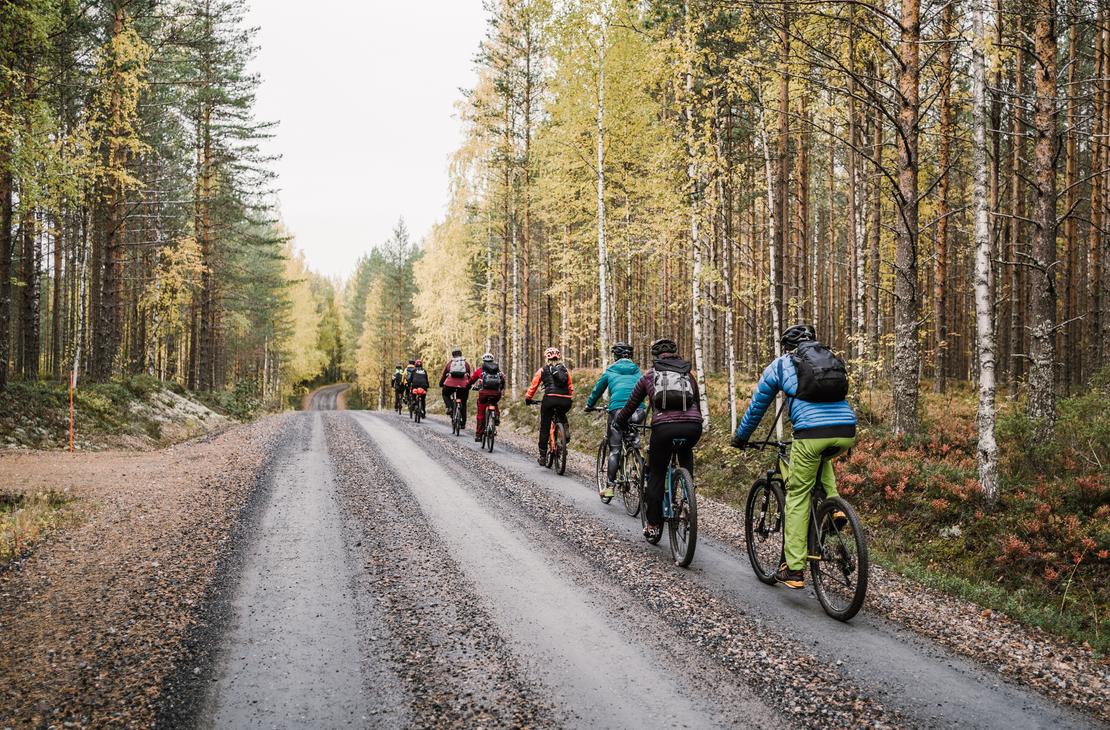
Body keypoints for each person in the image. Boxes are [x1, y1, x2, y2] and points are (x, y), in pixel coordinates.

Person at [730, 323, 857, 589]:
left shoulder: (781, 365)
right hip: (846, 431)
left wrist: (741, 437)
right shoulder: (828, 359)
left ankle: (795, 569)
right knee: (822, 459)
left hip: (810, 434)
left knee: (797, 495)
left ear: (787, 347)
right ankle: (834, 510)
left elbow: (757, 406)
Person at [614, 338, 703, 542]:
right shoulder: (688, 375)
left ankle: (653, 525)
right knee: (685, 452)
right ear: (676, 354)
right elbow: (696, 403)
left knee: (656, 473)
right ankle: (688, 495)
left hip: (663, 428)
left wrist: (619, 422)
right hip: (692, 427)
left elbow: (630, 405)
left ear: (656, 357)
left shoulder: (649, 376)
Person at [585, 342, 645, 498]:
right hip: (638, 411)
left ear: (615, 356)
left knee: (615, 449)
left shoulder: (610, 371)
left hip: (617, 411)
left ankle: (610, 487)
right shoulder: (638, 371)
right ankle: (638, 465)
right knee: (633, 439)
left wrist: (589, 405)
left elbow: (597, 390)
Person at [524, 347, 574, 465]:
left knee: (545, 426)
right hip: (566, 401)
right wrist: (569, 397)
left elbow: (533, 386)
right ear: (558, 357)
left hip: (550, 399)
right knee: (561, 415)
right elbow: (570, 386)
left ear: (547, 358)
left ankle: (542, 455)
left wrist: (528, 398)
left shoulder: (542, 370)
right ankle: (564, 432)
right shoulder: (565, 370)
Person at [466, 353, 505, 441]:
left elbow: (471, 380)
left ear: (483, 361)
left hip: (484, 393)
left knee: (481, 413)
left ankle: (479, 435)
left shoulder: (480, 370)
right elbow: (503, 380)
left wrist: (468, 386)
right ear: (492, 361)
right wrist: (500, 390)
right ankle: (496, 416)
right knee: (494, 403)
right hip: (496, 394)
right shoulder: (498, 371)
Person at [439, 349, 473, 427]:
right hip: (463, 385)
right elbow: (468, 376)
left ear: (453, 355)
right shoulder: (465, 364)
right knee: (463, 403)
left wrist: (441, 384)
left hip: (450, 384)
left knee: (445, 394)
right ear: (461, 355)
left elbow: (444, 375)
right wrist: (469, 385)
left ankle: (450, 407)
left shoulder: (450, 363)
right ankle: (463, 423)